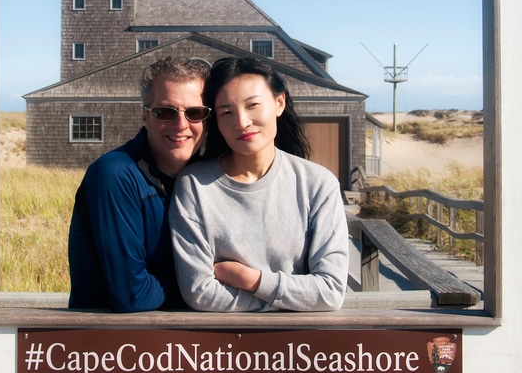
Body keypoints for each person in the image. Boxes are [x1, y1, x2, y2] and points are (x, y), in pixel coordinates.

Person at [169, 56, 349, 312]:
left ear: (279, 102)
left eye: (253, 105)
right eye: (227, 112)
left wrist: (250, 280)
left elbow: (330, 293)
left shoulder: (317, 184)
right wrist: (294, 300)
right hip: (217, 349)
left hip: (301, 349)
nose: (241, 122)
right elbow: (199, 292)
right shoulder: (195, 186)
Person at [68, 56, 212, 312]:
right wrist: (204, 284)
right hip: (110, 346)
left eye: (195, 113)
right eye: (165, 112)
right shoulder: (114, 175)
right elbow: (133, 295)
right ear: (145, 115)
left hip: (186, 346)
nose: (181, 125)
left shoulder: (209, 177)